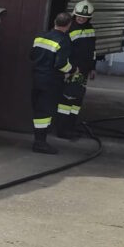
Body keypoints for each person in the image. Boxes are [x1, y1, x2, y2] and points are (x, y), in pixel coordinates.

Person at [30, 12, 74, 154]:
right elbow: (61, 64)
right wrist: (72, 70)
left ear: (55, 21)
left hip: (36, 78)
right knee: (45, 112)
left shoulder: (40, 37)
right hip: (51, 81)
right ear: (68, 25)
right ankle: (40, 143)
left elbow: (31, 55)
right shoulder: (64, 40)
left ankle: (39, 140)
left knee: (38, 110)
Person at [56, 0, 97, 140]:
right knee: (67, 100)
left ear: (89, 18)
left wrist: (93, 67)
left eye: (84, 17)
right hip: (72, 71)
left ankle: (70, 127)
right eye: (79, 16)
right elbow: (64, 52)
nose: (81, 19)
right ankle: (62, 130)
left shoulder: (91, 29)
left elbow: (92, 51)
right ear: (74, 14)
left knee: (77, 100)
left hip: (83, 71)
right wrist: (68, 71)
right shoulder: (70, 29)